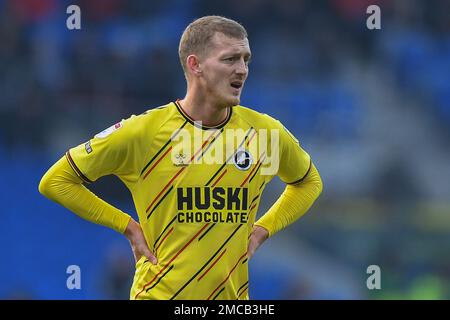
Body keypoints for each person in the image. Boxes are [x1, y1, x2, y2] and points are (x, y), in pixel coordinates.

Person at [39, 15, 323, 300]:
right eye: (230, 59)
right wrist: (127, 226)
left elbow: (309, 183)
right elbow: (56, 181)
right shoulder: (145, 132)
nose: (242, 70)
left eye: (246, 59)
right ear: (195, 64)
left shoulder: (264, 134)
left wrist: (264, 228)